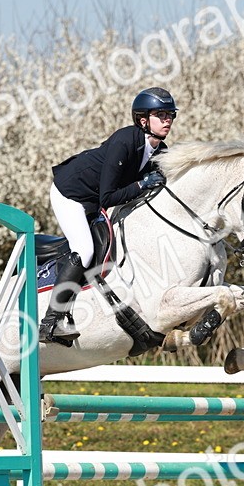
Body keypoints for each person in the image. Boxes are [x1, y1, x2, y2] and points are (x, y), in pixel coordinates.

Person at [39, 87, 177, 344]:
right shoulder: (125, 141)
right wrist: (142, 184)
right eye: (161, 115)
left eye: (170, 115)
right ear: (143, 120)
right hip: (71, 193)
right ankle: (51, 322)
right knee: (85, 250)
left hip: (93, 197)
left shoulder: (160, 150)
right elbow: (108, 198)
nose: (167, 120)